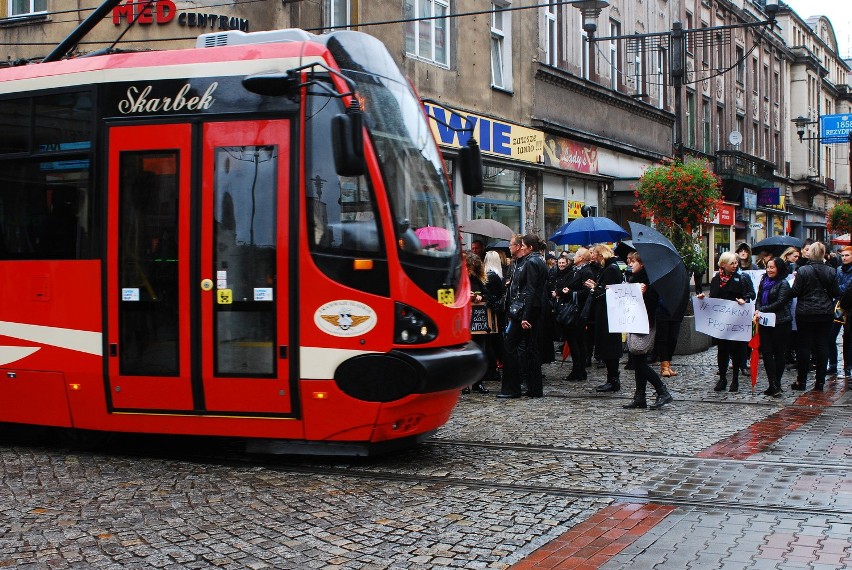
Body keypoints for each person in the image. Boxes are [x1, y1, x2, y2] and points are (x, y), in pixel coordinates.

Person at [498, 233, 548, 399]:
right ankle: (534, 389)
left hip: (526, 311)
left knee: (511, 346)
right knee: (530, 348)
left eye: (524, 245)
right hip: (529, 310)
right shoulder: (533, 261)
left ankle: (513, 388)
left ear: (530, 247)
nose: (521, 247)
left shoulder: (532, 261)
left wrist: (525, 316)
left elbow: (531, 290)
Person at [623, 252, 673, 409]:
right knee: (639, 360)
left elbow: (652, 304)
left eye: (634, 262)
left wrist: (643, 293)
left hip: (645, 322)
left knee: (639, 359)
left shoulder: (651, 281)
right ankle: (640, 397)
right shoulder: (634, 279)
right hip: (634, 321)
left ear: (642, 264)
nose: (630, 264)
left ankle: (662, 391)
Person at [697, 252, 750, 392]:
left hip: (736, 319)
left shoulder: (743, 277)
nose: (735, 265)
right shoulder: (716, 279)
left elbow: (751, 293)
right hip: (721, 321)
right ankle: (723, 378)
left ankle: (735, 379)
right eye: (732, 263)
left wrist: (744, 300)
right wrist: (703, 299)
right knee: (722, 350)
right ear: (723, 265)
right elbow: (713, 298)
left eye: (736, 263)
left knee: (737, 349)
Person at [790, 241, 839, 392]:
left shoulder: (803, 270)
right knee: (822, 345)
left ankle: (802, 381)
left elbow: (795, 292)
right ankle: (820, 382)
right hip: (824, 312)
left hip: (805, 312)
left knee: (804, 346)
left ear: (810, 253)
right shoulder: (831, 271)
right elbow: (836, 293)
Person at [585, 244, 624, 393]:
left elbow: (608, 292)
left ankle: (613, 380)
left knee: (609, 347)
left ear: (601, 255)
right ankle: (612, 379)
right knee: (606, 346)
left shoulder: (611, 269)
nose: (592, 257)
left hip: (609, 314)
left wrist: (594, 288)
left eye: (594, 254)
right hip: (605, 313)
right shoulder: (608, 268)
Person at [754, 258, 793, 397]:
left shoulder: (783, 283)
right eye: (768, 267)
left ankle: (777, 381)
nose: (769, 270)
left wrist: (762, 309)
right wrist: (758, 309)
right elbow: (758, 298)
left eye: (772, 267)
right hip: (765, 323)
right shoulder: (764, 281)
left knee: (779, 353)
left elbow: (781, 302)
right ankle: (772, 383)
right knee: (767, 353)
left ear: (779, 269)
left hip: (780, 322)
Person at [562, 247, 594, 381]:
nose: (573, 257)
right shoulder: (576, 270)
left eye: (576, 255)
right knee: (576, 341)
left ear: (581, 258)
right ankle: (579, 369)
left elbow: (587, 293)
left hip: (578, 312)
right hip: (574, 310)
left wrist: (570, 292)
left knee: (577, 341)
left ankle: (578, 370)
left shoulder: (586, 272)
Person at [464, 252, 490, 394]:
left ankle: (478, 382)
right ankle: (465, 383)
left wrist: (481, 296)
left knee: (480, 352)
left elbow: (487, 294)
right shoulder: (459, 279)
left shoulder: (476, 279)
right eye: (468, 267)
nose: (470, 271)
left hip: (477, 321)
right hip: (464, 321)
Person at [829, 246, 852, 378]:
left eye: (847, 255)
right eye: (843, 255)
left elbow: (846, 288)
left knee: (848, 338)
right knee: (831, 336)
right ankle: (832, 365)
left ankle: (848, 367)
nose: (844, 258)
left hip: (848, 307)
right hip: (837, 306)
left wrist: (837, 289)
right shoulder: (838, 270)